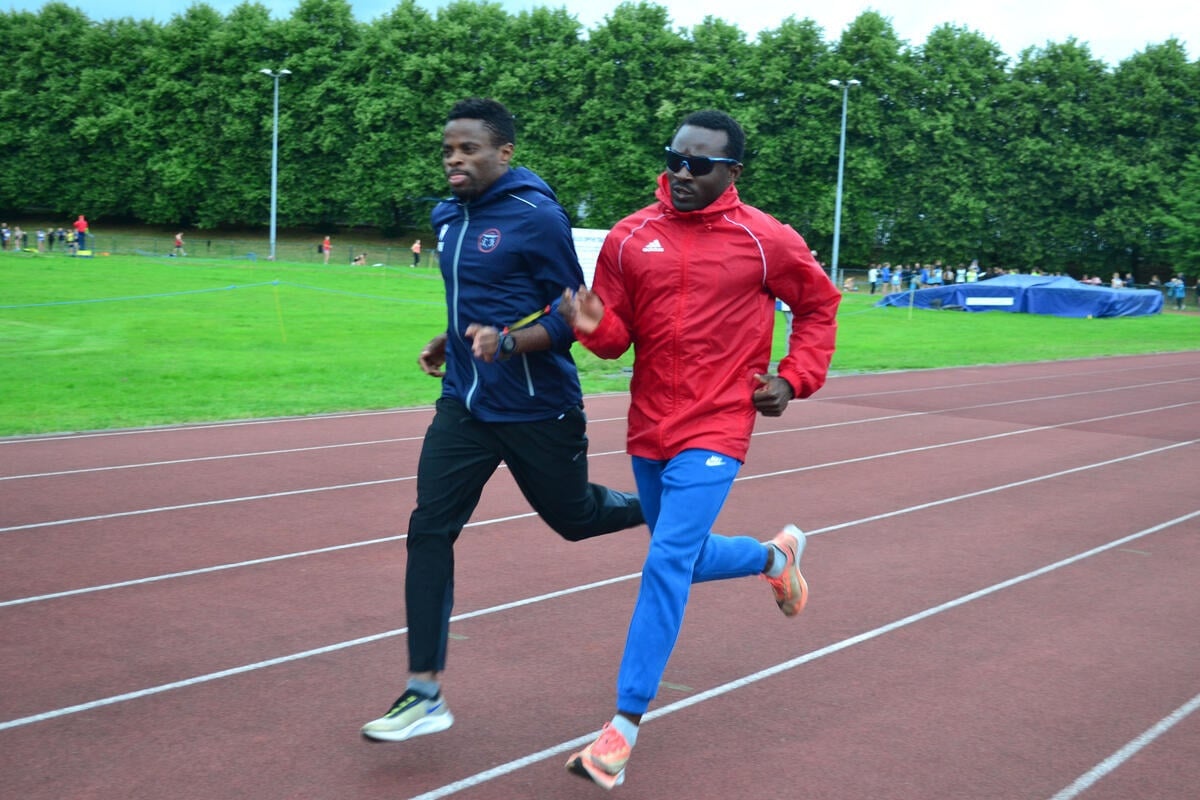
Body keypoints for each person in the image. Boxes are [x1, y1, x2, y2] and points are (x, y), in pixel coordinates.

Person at [558, 109, 840, 789]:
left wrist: (793, 376)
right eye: (675, 159)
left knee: (664, 561)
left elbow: (820, 307)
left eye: (700, 164)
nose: (681, 174)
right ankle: (775, 557)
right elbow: (615, 337)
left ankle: (621, 730)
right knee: (678, 553)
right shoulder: (630, 236)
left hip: (718, 425)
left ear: (732, 172)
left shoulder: (765, 239)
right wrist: (593, 325)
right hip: (649, 424)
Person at [359, 98, 643, 744]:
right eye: (447, 150)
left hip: (536, 406)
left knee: (576, 520)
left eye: (468, 149)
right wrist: (449, 339)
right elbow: (477, 299)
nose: (454, 160)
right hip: (464, 402)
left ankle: (655, 504)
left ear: (504, 153)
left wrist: (510, 344)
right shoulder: (448, 216)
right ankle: (423, 691)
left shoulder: (536, 217)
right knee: (429, 528)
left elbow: (570, 314)